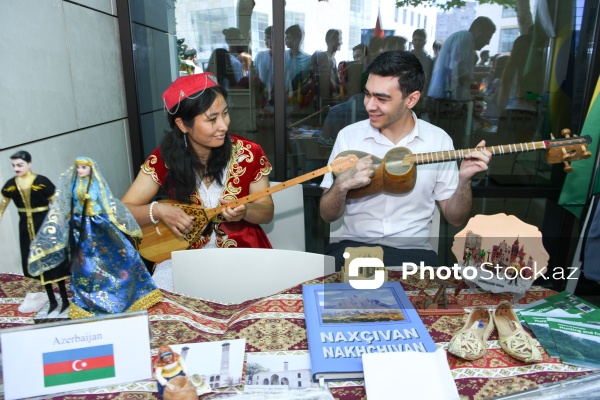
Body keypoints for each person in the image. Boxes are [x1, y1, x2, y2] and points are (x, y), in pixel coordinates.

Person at [320, 51, 491, 269]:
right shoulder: (349, 136)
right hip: (353, 248)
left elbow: (455, 218)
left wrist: (464, 180)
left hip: (413, 254)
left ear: (411, 99)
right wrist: (341, 185)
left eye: (381, 99)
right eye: (367, 94)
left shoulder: (438, 141)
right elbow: (327, 214)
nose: (369, 105)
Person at [122, 72, 274, 252]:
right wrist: (158, 210)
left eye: (225, 113)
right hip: (185, 254)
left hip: (242, 251)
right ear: (183, 125)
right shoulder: (165, 158)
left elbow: (267, 212)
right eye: (212, 119)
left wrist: (246, 211)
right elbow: (122, 212)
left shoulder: (249, 153)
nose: (224, 126)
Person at [28, 157, 163, 319]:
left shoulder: (95, 184)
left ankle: (123, 293)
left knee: (117, 258)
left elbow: (106, 202)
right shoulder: (74, 185)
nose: (81, 170)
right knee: (85, 265)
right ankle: (91, 300)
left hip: (99, 226)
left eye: (84, 167)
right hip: (80, 228)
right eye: (79, 168)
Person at [0, 151, 70, 314]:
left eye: (20, 165)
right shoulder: (11, 184)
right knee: (36, 262)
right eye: (14, 165)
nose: (17, 168)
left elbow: (57, 202)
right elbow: (3, 204)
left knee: (53, 260)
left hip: (45, 226)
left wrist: (62, 221)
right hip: (25, 227)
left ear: (29, 164)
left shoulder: (41, 182)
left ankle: (65, 299)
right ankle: (52, 300)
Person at [428, 16, 496, 101]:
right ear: (478, 31)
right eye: (488, 37)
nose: (488, 42)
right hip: (445, 99)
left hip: (442, 97)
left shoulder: (463, 38)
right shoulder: (466, 37)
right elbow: (460, 74)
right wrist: (482, 81)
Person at [310, 29, 343, 102]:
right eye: (339, 39)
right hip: (325, 99)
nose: (341, 42)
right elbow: (325, 82)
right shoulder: (324, 57)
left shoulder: (333, 59)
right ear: (332, 40)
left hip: (331, 98)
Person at [284, 24, 311, 108]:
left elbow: (308, 83)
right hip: (281, 100)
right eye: (285, 37)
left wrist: (294, 93)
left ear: (298, 39)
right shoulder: (282, 56)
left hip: (299, 102)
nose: (285, 40)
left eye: (288, 37)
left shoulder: (308, 59)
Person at [411, 29, 433, 116]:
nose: (417, 43)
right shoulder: (405, 58)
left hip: (422, 97)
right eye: (415, 40)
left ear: (424, 42)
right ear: (412, 41)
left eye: (420, 40)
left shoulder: (428, 61)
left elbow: (429, 80)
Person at [254, 26, 274, 104]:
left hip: (280, 96)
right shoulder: (260, 56)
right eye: (265, 38)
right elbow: (255, 76)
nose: (265, 41)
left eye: (268, 38)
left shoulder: (285, 57)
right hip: (262, 96)